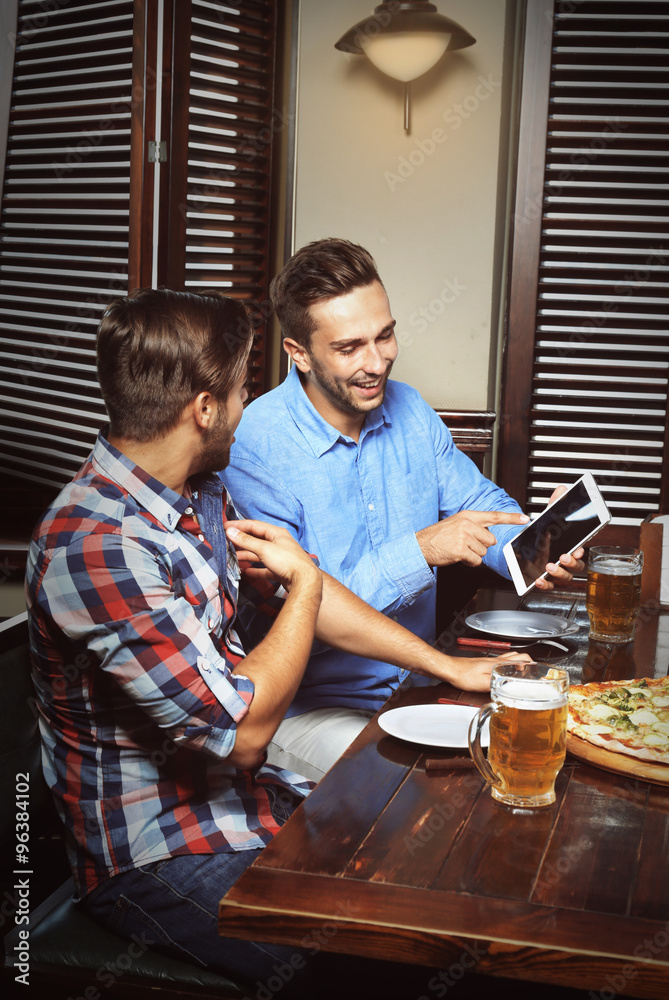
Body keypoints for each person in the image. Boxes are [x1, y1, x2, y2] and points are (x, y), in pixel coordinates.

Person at [26, 288, 522, 996]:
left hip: (245, 802)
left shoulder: (196, 491)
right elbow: (245, 731)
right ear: (204, 409)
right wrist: (308, 583)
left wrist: (445, 665)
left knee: (440, 885)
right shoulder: (96, 547)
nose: (247, 405)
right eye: (238, 389)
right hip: (157, 852)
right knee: (370, 968)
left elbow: (294, 596)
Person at [223, 238, 584, 782]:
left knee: (556, 738)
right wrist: (422, 548)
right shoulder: (253, 447)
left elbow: (479, 507)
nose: (377, 362)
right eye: (349, 348)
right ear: (298, 353)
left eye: (385, 335)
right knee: (425, 787)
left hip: (423, 684)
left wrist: (539, 545)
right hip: (311, 710)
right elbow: (306, 609)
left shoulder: (410, 408)